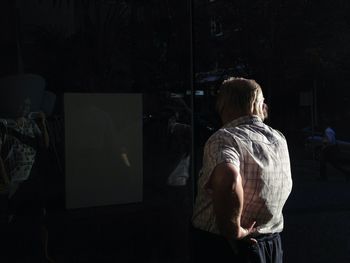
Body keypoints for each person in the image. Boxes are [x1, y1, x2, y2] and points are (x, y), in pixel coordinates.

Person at [191, 77, 293, 263]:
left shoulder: (225, 138)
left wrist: (234, 230)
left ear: (223, 106)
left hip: (226, 246)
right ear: (257, 104)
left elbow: (228, 178)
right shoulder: (279, 139)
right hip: (270, 245)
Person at [0, 97, 53, 262]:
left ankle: (44, 255)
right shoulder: (5, 124)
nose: (25, 107)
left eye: (28, 105)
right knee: (9, 220)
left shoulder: (31, 125)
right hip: (15, 180)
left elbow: (45, 144)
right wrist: (6, 179)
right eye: (22, 104)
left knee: (40, 218)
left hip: (32, 178)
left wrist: (43, 123)